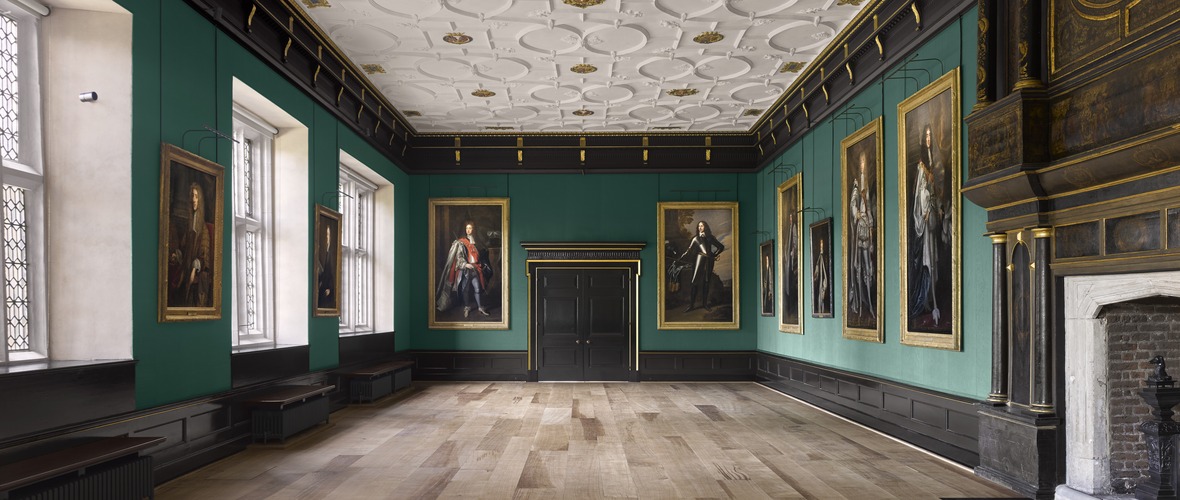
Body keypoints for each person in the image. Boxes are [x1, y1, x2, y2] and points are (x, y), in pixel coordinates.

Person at [909, 124, 944, 324]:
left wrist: (937, 206)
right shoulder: (922, 166)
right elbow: (920, 193)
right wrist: (928, 207)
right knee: (928, 261)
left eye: (931, 135)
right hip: (925, 218)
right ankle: (930, 302)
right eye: (927, 136)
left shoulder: (932, 164)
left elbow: (934, 191)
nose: (929, 139)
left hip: (932, 218)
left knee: (935, 263)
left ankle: (933, 301)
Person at [168, 181, 213, 307]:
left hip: (196, 274)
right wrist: (177, 255)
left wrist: (194, 269)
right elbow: (183, 249)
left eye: (196, 196)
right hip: (186, 270)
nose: (193, 199)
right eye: (192, 196)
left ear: (200, 201)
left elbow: (204, 256)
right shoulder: (189, 227)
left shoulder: (203, 229)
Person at [439, 220, 492, 318]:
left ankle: (480, 307)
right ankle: (467, 307)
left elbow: (479, 255)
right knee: (465, 289)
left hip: (475, 268)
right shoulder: (461, 243)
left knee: (478, 288)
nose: (468, 230)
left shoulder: (477, 242)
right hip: (466, 270)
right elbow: (459, 257)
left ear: (473, 229)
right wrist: (465, 264)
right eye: (467, 228)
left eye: (470, 228)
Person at [849, 151, 876, 320]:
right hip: (859, 226)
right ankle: (859, 303)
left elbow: (871, 206)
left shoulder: (869, 182)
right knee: (858, 266)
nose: (863, 164)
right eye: (861, 161)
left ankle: (869, 303)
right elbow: (853, 201)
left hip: (867, 224)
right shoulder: (857, 183)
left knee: (868, 266)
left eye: (865, 161)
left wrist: (871, 224)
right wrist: (856, 213)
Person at [678, 220, 725, 312]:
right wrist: (680, 259)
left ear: (705, 227)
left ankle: (705, 304)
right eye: (699, 226)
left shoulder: (710, 238)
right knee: (694, 281)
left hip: (709, 260)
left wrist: (714, 255)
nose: (700, 227)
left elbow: (721, 247)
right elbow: (689, 251)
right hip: (699, 259)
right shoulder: (695, 239)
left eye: (702, 226)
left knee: (706, 281)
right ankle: (691, 305)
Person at [316, 221, 336, 309]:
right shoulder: (325, 251)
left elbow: (332, 273)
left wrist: (330, 288)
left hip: (327, 289)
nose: (327, 237)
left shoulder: (331, 253)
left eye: (328, 235)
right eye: (326, 235)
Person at [814, 238, 830, 315]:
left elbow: (825, 277)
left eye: (822, 245)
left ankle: (822, 310)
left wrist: (824, 288)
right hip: (819, 285)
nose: (821, 247)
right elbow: (816, 273)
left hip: (823, 285)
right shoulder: (819, 259)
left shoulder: (824, 258)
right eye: (820, 245)